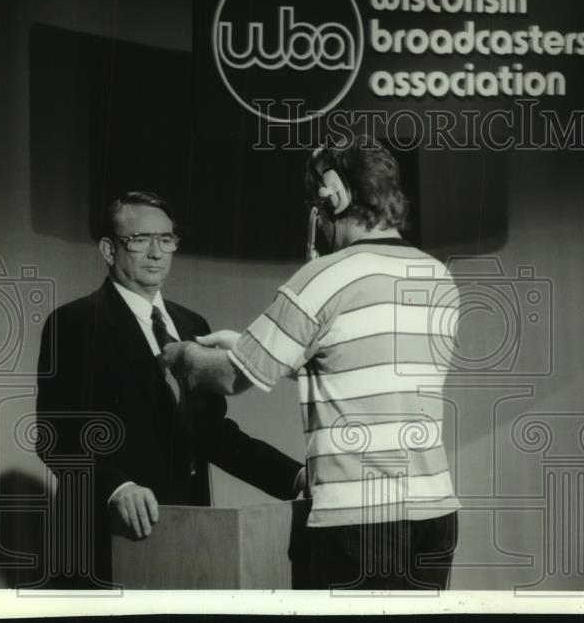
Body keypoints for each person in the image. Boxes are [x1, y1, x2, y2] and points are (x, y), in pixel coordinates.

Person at [164, 136, 461, 590]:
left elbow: (228, 378)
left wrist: (184, 355)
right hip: (435, 514)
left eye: (315, 203)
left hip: (359, 519)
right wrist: (249, 343)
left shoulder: (323, 277)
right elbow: (352, 366)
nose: (317, 220)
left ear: (334, 194)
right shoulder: (437, 276)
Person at [36, 191, 305, 588]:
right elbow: (55, 434)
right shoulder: (74, 323)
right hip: (106, 537)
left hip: (189, 538)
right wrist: (116, 486)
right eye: (140, 240)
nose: (156, 252)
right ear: (109, 250)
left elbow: (213, 434)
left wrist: (294, 476)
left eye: (166, 239)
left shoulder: (190, 322)